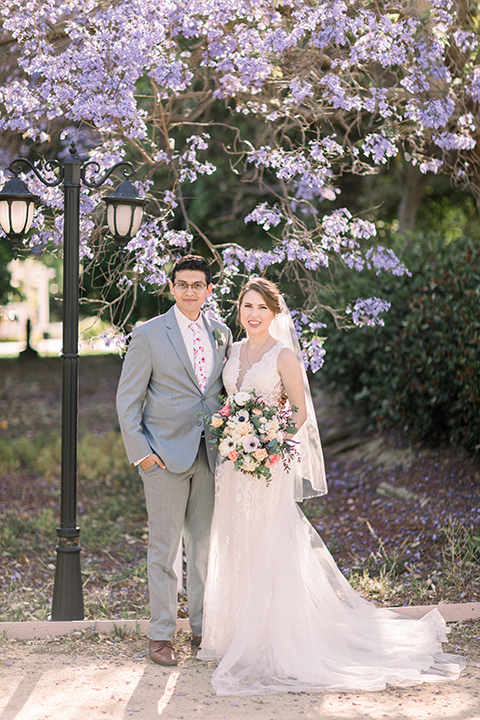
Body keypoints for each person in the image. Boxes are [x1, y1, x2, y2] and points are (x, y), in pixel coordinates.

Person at [198, 276, 465, 695]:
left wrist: (269, 441)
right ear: (239, 309)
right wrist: (236, 439)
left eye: (261, 309)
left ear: (274, 313)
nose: (253, 315)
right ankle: (237, 634)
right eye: (247, 306)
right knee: (237, 541)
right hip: (233, 466)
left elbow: (301, 411)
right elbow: (229, 403)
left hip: (267, 463)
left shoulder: (283, 355)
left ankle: (274, 638)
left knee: (269, 543)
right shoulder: (231, 352)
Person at [116, 254, 232, 666]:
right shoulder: (148, 335)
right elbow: (127, 401)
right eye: (181, 284)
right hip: (163, 458)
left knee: (202, 551)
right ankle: (161, 635)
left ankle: (202, 630)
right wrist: (143, 456)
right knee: (163, 552)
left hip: (210, 455)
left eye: (197, 285)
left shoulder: (221, 332)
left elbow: (221, 394)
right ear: (171, 288)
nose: (189, 291)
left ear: (208, 290)